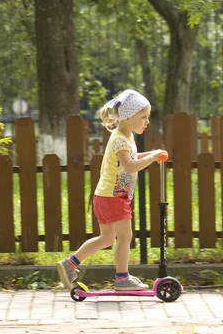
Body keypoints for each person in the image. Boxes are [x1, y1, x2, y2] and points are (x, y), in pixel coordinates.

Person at [56, 89, 165, 291]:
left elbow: (131, 156)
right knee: (125, 237)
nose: (147, 122)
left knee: (106, 238)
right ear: (129, 117)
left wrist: (152, 154)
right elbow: (130, 166)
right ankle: (122, 278)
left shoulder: (124, 137)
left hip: (105, 195)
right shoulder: (120, 140)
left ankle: (69, 264)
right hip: (115, 197)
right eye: (143, 117)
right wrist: (151, 159)